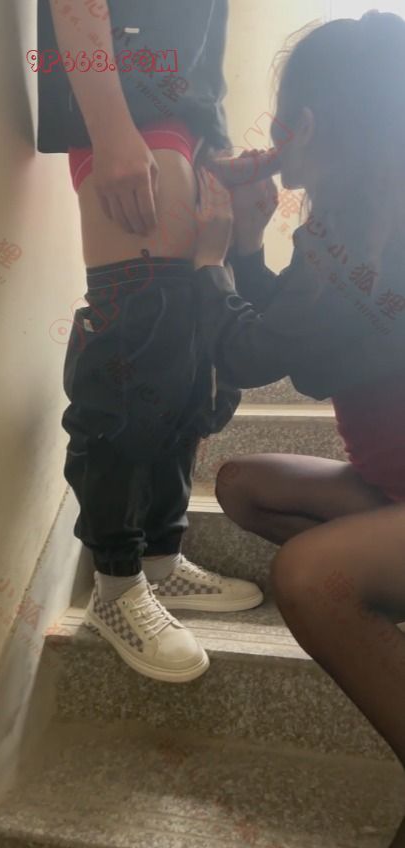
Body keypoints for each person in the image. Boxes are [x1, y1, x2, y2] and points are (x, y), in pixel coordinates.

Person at [192, 12, 405, 846]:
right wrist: (247, 242)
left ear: (305, 126)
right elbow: (295, 336)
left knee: (311, 577)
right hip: (391, 486)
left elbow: (255, 353)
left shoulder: (377, 235)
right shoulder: (346, 227)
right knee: (244, 486)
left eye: (280, 120)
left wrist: (208, 259)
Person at [36, 0, 264, 684]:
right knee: (136, 354)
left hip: (185, 124)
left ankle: (161, 558)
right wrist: (110, 129)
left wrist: (216, 144)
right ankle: (115, 583)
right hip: (131, 114)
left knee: (186, 357)